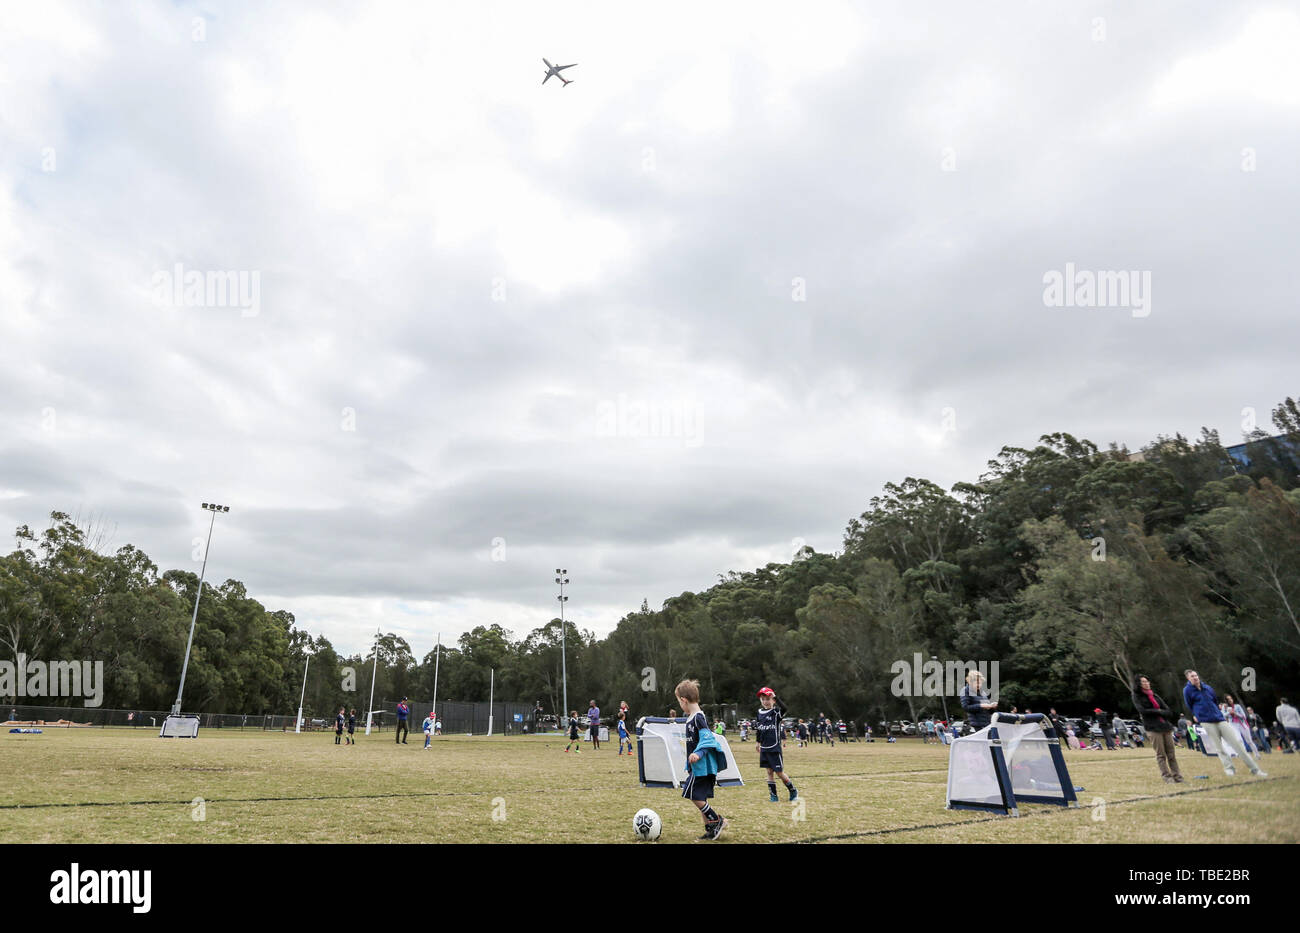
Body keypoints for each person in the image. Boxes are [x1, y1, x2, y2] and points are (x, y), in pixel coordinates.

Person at [1182, 671, 1266, 778]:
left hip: (1220, 719)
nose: (1195, 678)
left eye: (1196, 675)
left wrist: (1217, 712)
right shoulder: (1187, 690)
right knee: (1219, 748)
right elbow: (1189, 705)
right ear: (1188, 678)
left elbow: (1214, 700)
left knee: (1237, 744)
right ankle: (1229, 768)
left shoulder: (1207, 688)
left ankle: (1255, 769)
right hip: (1206, 721)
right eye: (1192, 676)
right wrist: (1197, 714)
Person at [676, 679, 729, 840]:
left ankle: (717, 820)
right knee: (701, 798)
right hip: (698, 767)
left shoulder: (698, 717)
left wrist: (698, 754)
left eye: (679, 701)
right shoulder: (692, 717)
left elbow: (708, 740)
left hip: (702, 767)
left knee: (693, 795)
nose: (680, 705)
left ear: (684, 700)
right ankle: (710, 829)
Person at [1132, 675, 1183, 783]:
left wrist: (1157, 711)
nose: (1147, 683)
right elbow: (1142, 711)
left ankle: (1178, 776)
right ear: (1139, 684)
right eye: (1143, 682)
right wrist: (1158, 711)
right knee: (1161, 754)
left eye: (1147, 681)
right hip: (1152, 728)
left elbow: (1168, 711)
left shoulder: (1155, 695)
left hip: (1165, 726)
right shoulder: (1137, 696)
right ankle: (1167, 777)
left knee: (1171, 754)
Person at [754, 687, 797, 803]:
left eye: (767, 699)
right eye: (763, 699)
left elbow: (785, 708)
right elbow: (759, 729)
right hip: (764, 747)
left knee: (779, 772)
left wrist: (775, 697)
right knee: (769, 772)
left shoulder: (776, 712)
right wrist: (758, 742)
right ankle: (773, 795)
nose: (765, 701)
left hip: (774, 747)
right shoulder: (759, 713)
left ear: (772, 700)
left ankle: (792, 790)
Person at [1222, 694, 1258, 760]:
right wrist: (1229, 713)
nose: (1230, 700)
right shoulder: (1225, 707)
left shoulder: (1237, 706)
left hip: (1242, 723)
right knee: (1239, 740)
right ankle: (1245, 755)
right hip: (1233, 724)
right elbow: (1223, 715)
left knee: (1249, 741)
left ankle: (1257, 754)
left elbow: (1244, 716)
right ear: (1226, 701)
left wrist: (1235, 713)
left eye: (1231, 698)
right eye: (1228, 699)